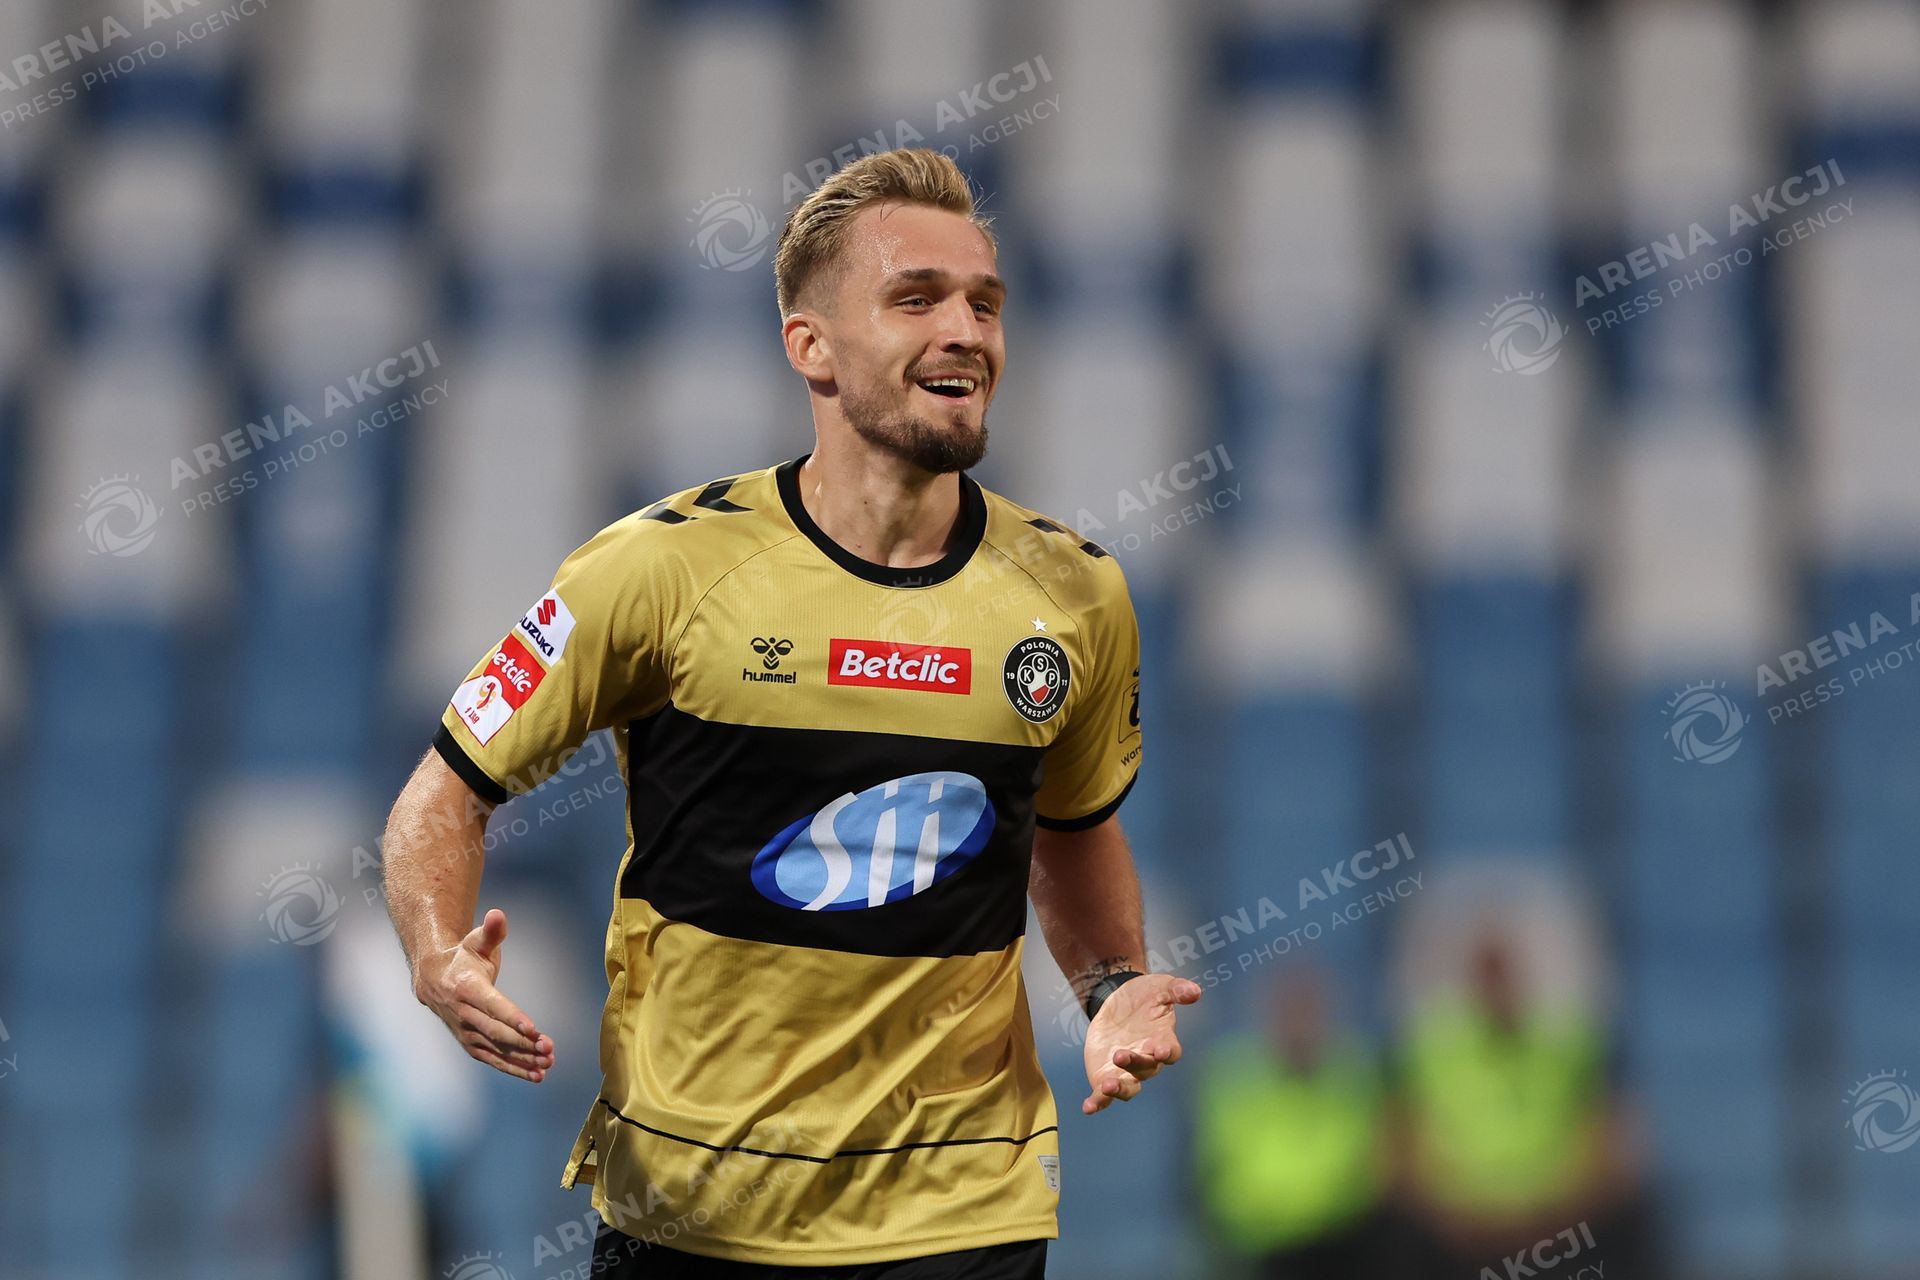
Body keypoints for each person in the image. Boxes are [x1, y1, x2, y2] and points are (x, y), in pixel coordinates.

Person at [379, 148, 1200, 1279]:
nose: (965, 331)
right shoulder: (657, 570)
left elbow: (1071, 826)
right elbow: (445, 791)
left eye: (984, 303)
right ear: (810, 346)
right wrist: (436, 953)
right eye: (917, 299)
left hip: (960, 1208)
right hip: (694, 1207)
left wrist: (1109, 986)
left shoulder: (1075, 594)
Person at [1194, 968, 1389, 1280]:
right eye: (1290, 1013)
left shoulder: (1352, 1074)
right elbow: (1231, 1174)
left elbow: (1357, 1170)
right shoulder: (1233, 1076)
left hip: (1336, 1241)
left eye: (1308, 1012)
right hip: (1259, 1244)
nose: (1299, 1026)